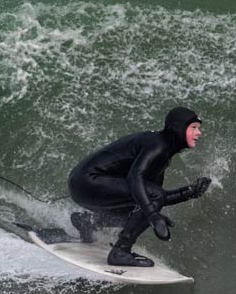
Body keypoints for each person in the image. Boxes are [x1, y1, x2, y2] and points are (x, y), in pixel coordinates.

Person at [67, 107, 212, 267]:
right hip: (88, 182)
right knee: (149, 205)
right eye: (193, 127)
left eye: (198, 128)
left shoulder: (163, 151)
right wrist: (153, 216)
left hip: (83, 184)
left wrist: (188, 193)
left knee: (140, 212)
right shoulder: (158, 146)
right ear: (178, 128)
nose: (199, 133)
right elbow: (136, 178)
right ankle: (120, 251)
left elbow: (156, 197)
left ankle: (89, 222)